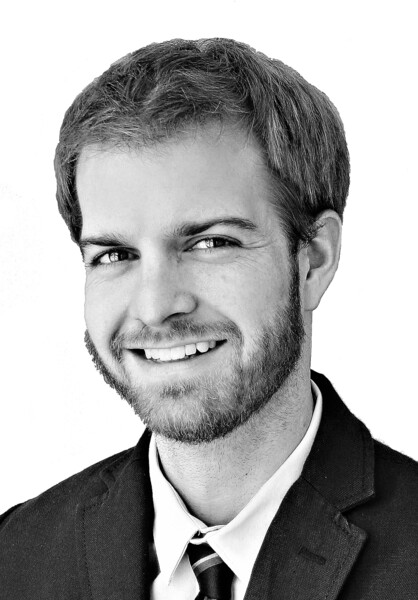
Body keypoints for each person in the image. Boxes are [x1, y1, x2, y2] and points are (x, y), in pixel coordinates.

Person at [1, 38, 417, 600]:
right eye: (115, 255)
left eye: (210, 243)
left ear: (314, 258)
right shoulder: (17, 556)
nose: (155, 307)